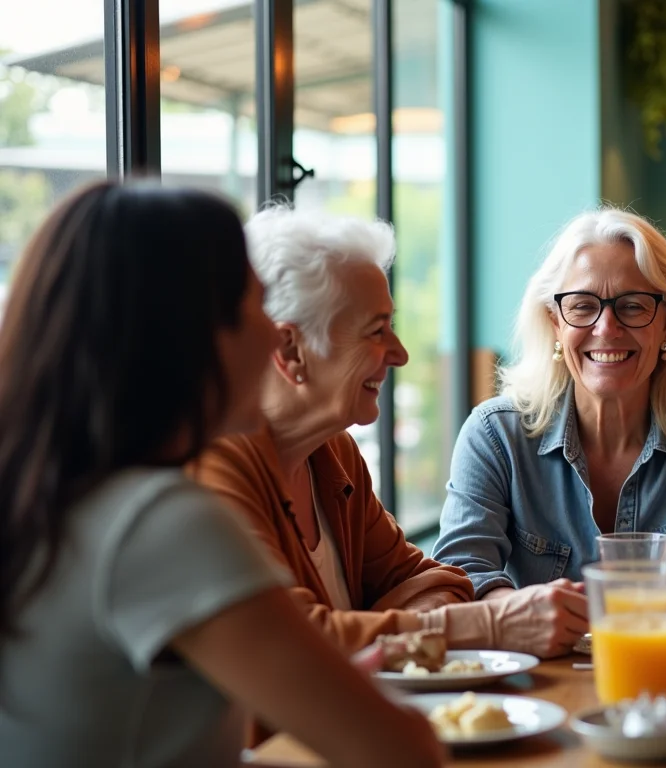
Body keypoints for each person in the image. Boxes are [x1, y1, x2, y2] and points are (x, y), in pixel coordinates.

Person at [0, 183, 444, 767]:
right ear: (187, 336)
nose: (272, 336)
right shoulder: (158, 521)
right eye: (251, 307)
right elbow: (400, 752)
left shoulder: (56, 494)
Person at [193, 205, 574, 664]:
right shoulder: (215, 466)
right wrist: (486, 625)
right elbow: (286, 646)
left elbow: (443, 583)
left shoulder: (333, 454)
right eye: (377, 331)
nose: (399, 353)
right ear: (290, 349)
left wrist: (367, 629)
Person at [432, 207, 666, 655]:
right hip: (533, 690)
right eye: (582, 306)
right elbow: (458, 574)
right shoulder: (495, 434)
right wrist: (513, 615)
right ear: (555, 322)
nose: (606, 328)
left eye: (633, 306)